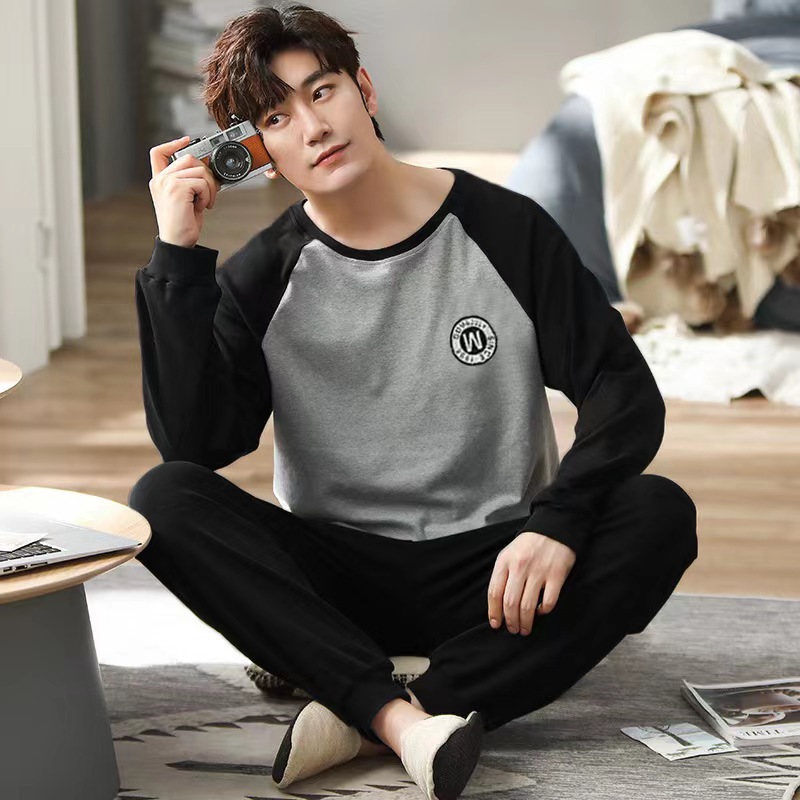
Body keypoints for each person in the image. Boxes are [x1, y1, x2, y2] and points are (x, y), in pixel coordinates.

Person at [127, 5, 698, 799]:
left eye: (322, 92)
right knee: (162, 499)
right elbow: (195, 446)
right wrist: (176, 257)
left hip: (495, 574)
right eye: (277, 119)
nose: (313, 128)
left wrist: (558, 524)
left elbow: (622, 390)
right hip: (340, 580)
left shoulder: (505, 229)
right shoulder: (264, 274)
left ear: (363, 90)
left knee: (658, 514)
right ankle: (407, 719)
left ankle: (366, 705)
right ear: (257, 154)